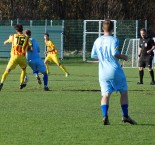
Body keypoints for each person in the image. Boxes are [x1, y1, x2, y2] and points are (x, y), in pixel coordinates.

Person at [91, 19, 137, 125]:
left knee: (105, 95)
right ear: (112, 28)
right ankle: (125, 116)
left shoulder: (97, 40)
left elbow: (93, 55)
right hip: (114, 70)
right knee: (123, 92)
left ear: (102, 28)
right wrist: (124, 57)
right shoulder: (114, 40)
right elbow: (115, 53)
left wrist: (103, 59)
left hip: (103, 72)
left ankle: (105, 116)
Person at [0, 24, 32, 91]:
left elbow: (5, 42)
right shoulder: (27, 38)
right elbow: (31, 46)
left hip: (14, 57)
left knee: (7, 71)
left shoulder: (13, 36)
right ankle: (21, 83)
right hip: (22, 57)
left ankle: (1, 82)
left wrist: (9, 39)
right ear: (22, 30)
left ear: (16, 30)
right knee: (23, 69)